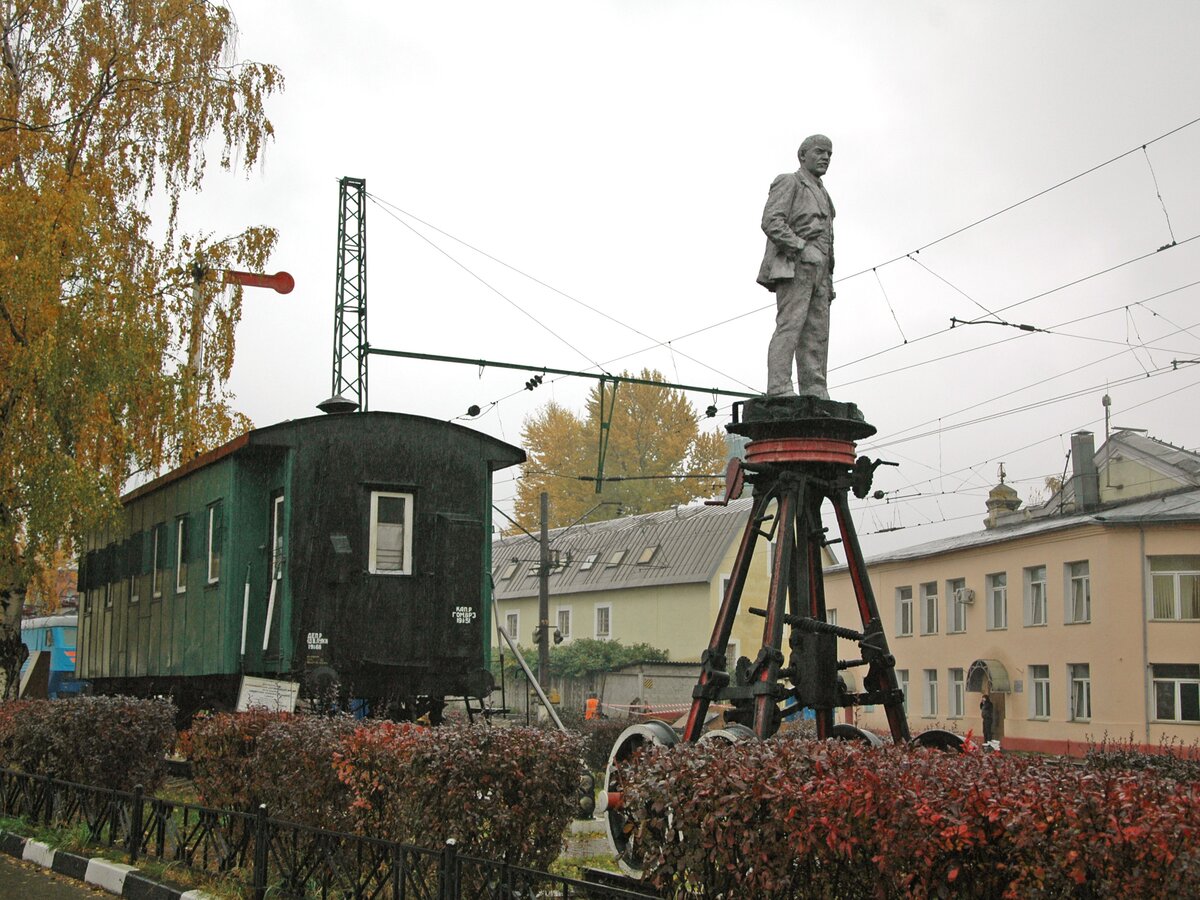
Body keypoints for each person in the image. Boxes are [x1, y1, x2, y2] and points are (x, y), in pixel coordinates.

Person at [757, 134, 836, 398]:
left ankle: (814, 387)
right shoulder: (790, 182)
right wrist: (801, 247)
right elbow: (771, 221)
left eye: (829, 154)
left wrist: (829, 278)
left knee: (817, 331)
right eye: (820, 152)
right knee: (791, 325)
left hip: (821, 271)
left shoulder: (824, 193)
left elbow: (829, 238)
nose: (825, 157)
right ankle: (779, 387)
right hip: (794, 266)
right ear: (803, 155)